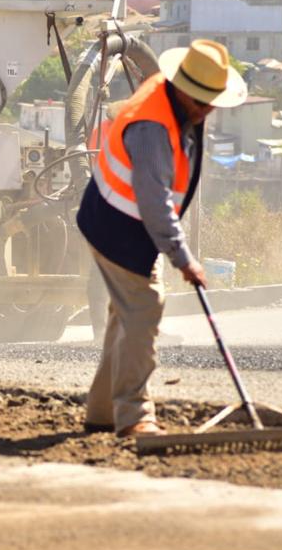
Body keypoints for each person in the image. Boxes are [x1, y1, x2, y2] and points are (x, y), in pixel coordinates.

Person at [77, 39, 247, 437]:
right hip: (117, 227)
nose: (209, 111)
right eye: (204, 102)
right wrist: (182, 257)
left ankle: (102, 411)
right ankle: (134, 416)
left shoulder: (177, 104)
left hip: (125, 224)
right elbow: (154, 202)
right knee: (144, 308)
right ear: (184, 90)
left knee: (125, 317)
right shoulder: (152, 127)